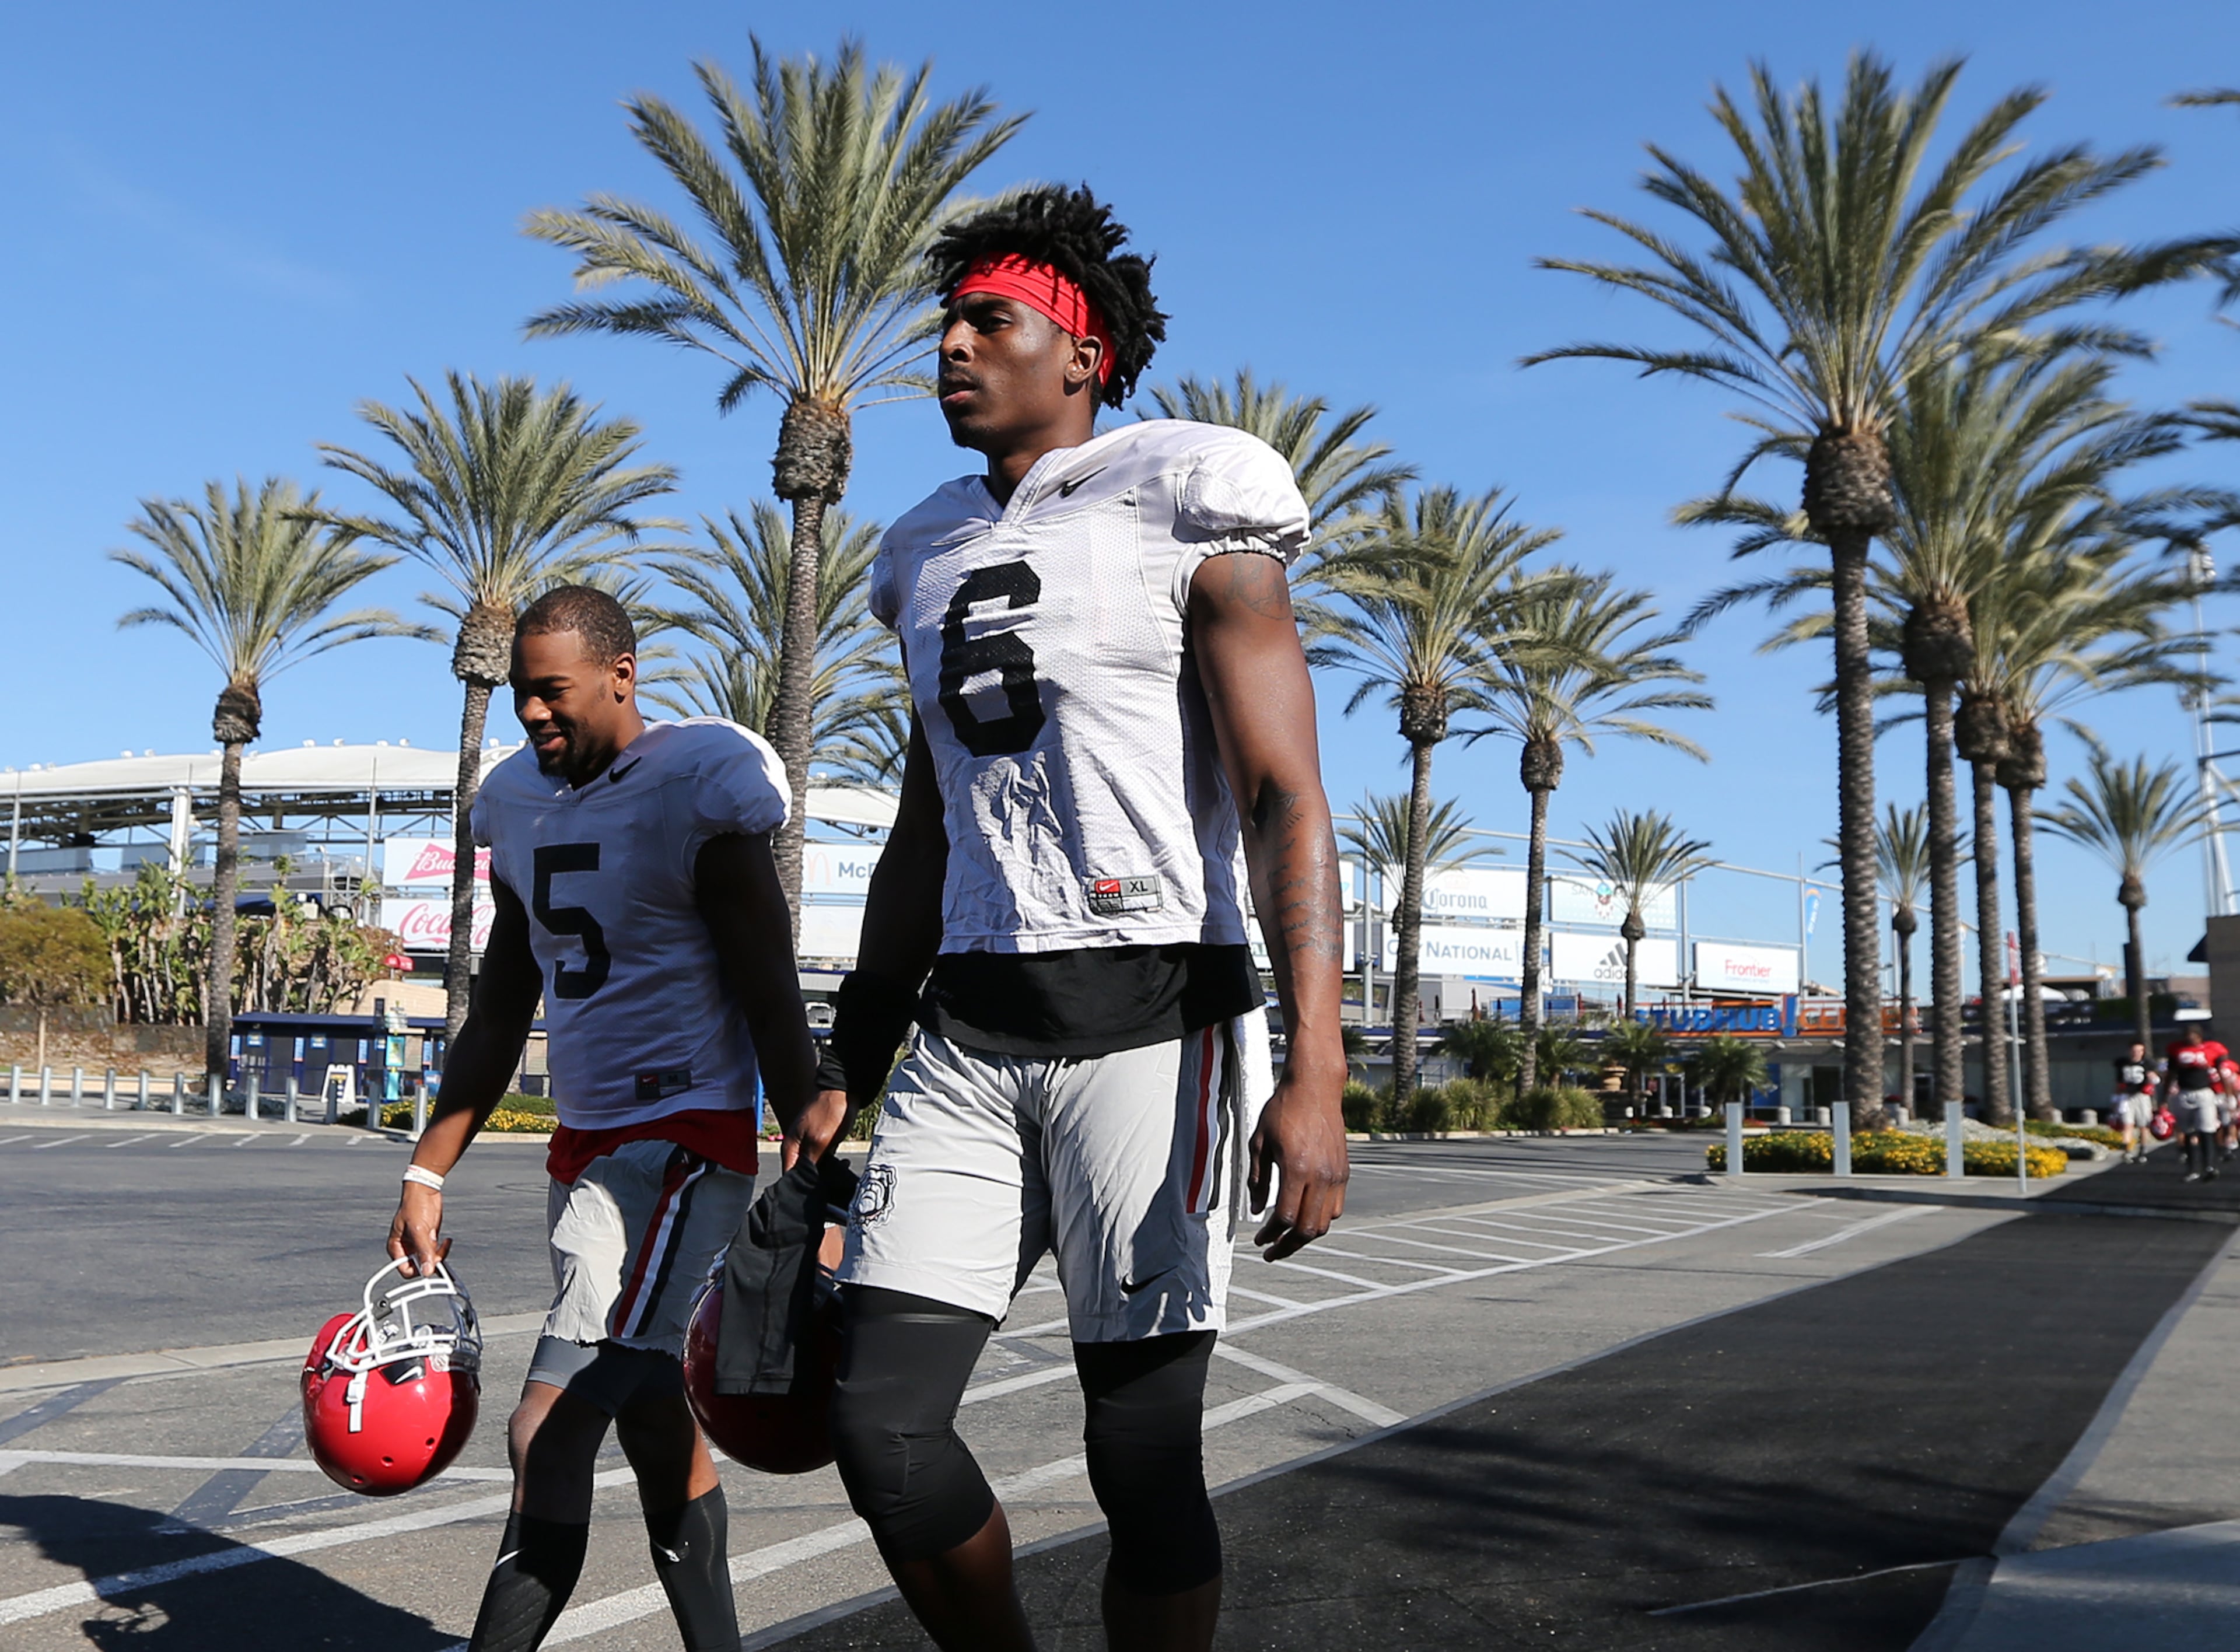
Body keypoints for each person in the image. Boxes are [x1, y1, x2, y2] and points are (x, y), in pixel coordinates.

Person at [794, 184, 1348, 1652]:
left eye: (993, 321)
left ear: (1084, 352)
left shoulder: (1187, 491)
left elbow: (1287, 794)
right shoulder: (917, 546)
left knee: (1140, 1457)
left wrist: (1315, 1070)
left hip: (1152, 1008)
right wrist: (847, 1051)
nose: (953, 348)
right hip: (969, 1022)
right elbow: (927, 819)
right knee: (883, 1432)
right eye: (947, 323)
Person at [384, 586, 816, 1652]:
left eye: (552, 689)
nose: (531, 712)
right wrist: (427, 1170)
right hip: (585, 1150)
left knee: (549, 1429)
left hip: (685, 1143)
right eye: (522, 692)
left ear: (624, 675)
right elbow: (502, 1006)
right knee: (658, 1423)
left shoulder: (698, 786)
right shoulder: (518, 804)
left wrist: (814, 1173)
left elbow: (770, 988)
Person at [2164, 1024, 2230, 1182]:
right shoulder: (2176, 1050)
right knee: (2188, 1132)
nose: (2189, 1038)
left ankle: (2209, 1166)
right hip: (2184, 1092)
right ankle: (2192, 1168)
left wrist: (2226, 1095)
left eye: (2192, 1035)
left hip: (2204, 1093)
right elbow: (2171, 1074)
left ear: (2200, 1036)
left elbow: (2222, 1072)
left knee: (2207, 1130)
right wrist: (2164, 1098)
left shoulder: (2211, 1049)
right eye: (2187, 1035)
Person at [2111, 1041, 2158, 1164]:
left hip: (2142, 1096)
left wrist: (2153, 1079)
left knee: (2144, 1125)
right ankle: (2127, 1151)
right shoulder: (2123, 1064)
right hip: (2126, 1097)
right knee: (2127, 1124)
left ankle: (2143, 1151)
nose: (2136, 1053)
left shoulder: (2147, 1064)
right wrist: (2115, 1100)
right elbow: (2118, 1083)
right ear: (2129, 1051)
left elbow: (2156, 1079)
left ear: (2143, 1052)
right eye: (2134, 1050)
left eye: (2139, 1051)